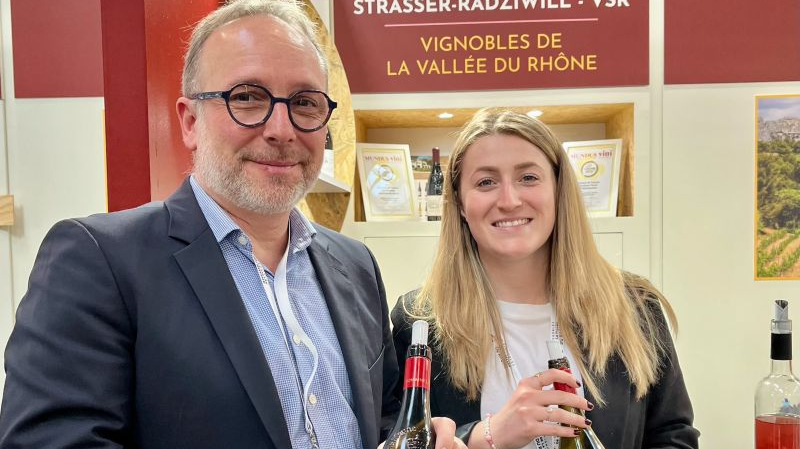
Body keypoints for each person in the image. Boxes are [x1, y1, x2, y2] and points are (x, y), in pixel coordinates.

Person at [0, 1, 464, 448]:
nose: (281, 129)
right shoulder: (99, 261)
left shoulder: (355, 265)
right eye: (247, 97)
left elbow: (382, 416)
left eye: (304, 102)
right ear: (190, 121)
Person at [392, 108, 700, 449]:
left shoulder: (634, 306)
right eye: (486, 182)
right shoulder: (419, 321)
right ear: (461, 204)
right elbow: (394, 436)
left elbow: (673, 435)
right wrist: (485, 436)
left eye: (528, 177)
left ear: (558, 189)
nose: (509, 200)